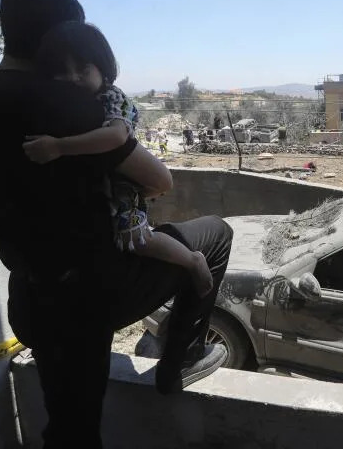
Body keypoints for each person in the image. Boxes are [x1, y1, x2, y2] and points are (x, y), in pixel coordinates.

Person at [0, 0, 232, 448]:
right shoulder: (61, 104)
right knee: (214, 235)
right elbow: (159, 180)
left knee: (70, 430)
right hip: (96, 290)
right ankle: (182, 358)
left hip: (34, 298)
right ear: (55, 38)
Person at [22, 22, 212, 297]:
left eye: (83, 69)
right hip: (109, 181)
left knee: (138, 239)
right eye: (63, 72)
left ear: (103, 68)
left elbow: (116, 137)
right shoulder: (82, 100)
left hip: (124, 183)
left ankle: (192, 260)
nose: (74, 78)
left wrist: (59, 147)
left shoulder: (113, 98)